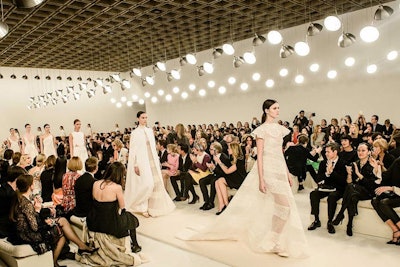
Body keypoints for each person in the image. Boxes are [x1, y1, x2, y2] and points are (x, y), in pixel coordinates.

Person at [177, 99, 308, 258]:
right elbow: (260, 155)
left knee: (281, 208)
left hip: (279, 170)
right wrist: (261, 179)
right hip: (267, 171)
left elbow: (279, 153)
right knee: (285, 207)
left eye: (278, 108)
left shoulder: (280, 129)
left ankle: (275, 239)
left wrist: (287, 173)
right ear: (266, 110)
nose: (277, 110)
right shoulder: (261, 130)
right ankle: (274, 240)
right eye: (274, 108)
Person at [10, 174, 96, 267]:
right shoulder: (26, 204)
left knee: (62, 221)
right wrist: (40, 214)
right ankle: (55, 262)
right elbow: (35, 227)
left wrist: (43, 218)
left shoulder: (20, 199)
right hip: (29, 235)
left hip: (24, 232)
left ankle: (78, 247)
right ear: (31, 186)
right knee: (61, 234)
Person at [125, 111, 175, 217]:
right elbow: (133, 150)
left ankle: (151, 207)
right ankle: (141, 207)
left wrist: (156, 160)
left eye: (146, 117)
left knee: (156, 184)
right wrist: (135, 164)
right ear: (138, 118)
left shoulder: (149, 131)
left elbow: (153, 147)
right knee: (146, 184)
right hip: (142, 161)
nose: (145, 119)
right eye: (143, 117)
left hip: (152, 160)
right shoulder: (135, 133)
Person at [87, 162, 141, 254]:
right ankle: (135, 245)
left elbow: (94, 200)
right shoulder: (117, 187)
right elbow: (122, 207)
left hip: (94, 220)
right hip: (109, 223)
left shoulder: (95, 183)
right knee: (131, 218)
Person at [332, 143, 380, 236]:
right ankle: (349, 224)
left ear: (369, 152)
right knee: (352, 195)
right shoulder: (354, 163)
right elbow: (350, 182)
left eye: (363, 150)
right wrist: (349, 174)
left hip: (368, 192)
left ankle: (341, 213)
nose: (360, 153)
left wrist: (358, 174)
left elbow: (371, 185)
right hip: (355, 191)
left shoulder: (373, 164)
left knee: (351, 190)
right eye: (358, 150)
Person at [308, 142, 347, 234]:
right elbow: (318, 178)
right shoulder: (323, 163)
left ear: (335, 152)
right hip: (326, 188)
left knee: (332, 197)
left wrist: (332, 172)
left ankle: (330, 222)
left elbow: (342, 181)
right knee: (313, 194)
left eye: (328, 152)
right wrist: (326, 174)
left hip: (338, 188)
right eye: (325, 152)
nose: (326, 154)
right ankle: (316, 220)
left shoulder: (342, 163)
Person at [371, 157, 400, 245]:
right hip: (397, 193)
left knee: (384, 203)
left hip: (397, 191)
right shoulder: (398, 161)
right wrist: (377, 168)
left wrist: (391, 188)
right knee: (375, 201)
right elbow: (386, 176)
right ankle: (395, 230)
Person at [214, 142, 246, 215]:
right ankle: (221, 205)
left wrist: (219, 162)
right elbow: (227, 169)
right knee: (217, 181)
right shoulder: (232, 159)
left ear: (233, 149)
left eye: (229, 148)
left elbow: (227, 171)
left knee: (221, 180)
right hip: (234, 178)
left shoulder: (239, 160)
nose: (228, 150)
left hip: (239, 181)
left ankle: (227, 204)